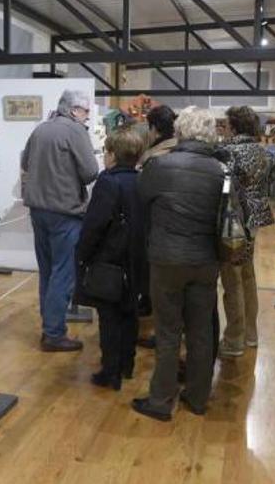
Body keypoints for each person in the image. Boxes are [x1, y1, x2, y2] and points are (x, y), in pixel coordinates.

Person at [132, 107, 225, 421]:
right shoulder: (220, 170)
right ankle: (198, 397)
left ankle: (160, 400)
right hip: (206, 258)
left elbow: (141, 200)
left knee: (168, 331)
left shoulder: (159, 165)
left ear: (180, 131)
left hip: (166, 258)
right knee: (201, 331)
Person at [21, 90, 98, 352]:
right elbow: (90, 172)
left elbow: (25, 161)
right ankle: (54, 333)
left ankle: (49, 327)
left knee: (48, 272)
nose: (87, 117)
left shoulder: (41, 129)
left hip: (38, 211)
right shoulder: (76, 131)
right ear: (75, 110)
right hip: (64, 212)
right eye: (86, 112)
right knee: (63, 274)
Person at [73, 126, 148, 390]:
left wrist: (82, 254)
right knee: (130, 314)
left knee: (110, 318)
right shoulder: (142, 179)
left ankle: (110, 371)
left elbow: (95, 224)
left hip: (110, 260)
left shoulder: (108, 181)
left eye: (106, 151)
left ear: (113, 154)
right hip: (136, 259)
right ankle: (127, 365)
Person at [218, 106, 275, 357]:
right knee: (247, 274)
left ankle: (234, 339)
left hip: (233, 219)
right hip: (255, 218)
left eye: (225, 125)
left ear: (234, 126)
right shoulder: (262, 151)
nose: (223, 129)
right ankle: (250, 334)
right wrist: (259, 189)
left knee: (232, 277)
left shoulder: (227, 152)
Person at [136, 104, 178, 350]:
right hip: (181, 228)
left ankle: (164, 338)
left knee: (163, 285)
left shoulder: (156, 157)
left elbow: (145, 193)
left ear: (153, 127)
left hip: (159, 225)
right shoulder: (177, 150)